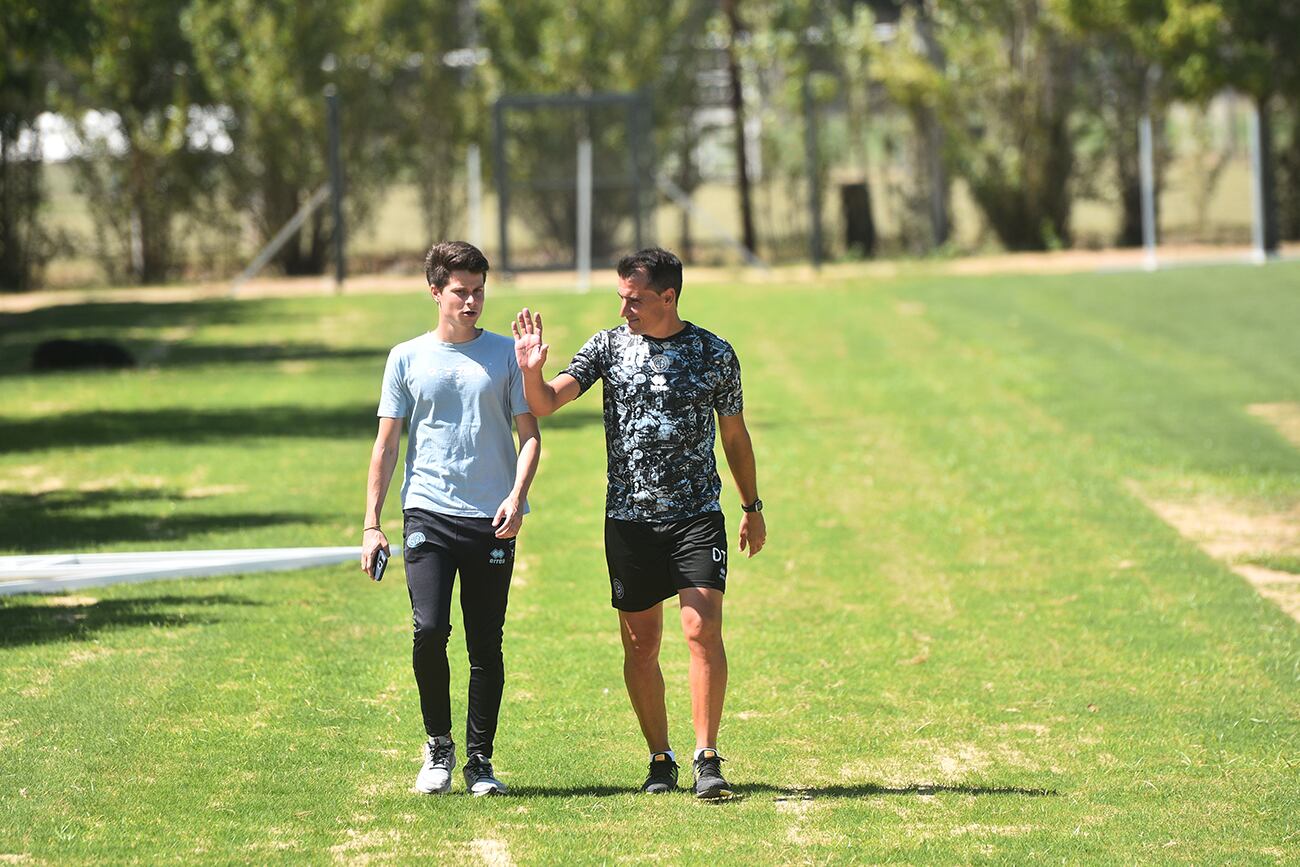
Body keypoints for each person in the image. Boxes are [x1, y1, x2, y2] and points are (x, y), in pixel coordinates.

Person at [512, 247, 765, 800]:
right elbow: (549, 402)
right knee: (640, 644)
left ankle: (706, 756)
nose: (624, 307)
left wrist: (751, 507)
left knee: (701, 631)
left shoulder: (713, 353)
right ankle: (660, 757)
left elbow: (735, 437)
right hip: (628, 521)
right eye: (621, 297)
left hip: (696, 516)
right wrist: (531, 371)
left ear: (668, 297)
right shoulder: (607, 346)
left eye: (635, 299)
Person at [361, 241, 540, 797]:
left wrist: (517, 494)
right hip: (427, 513)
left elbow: (530, 436)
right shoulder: (406, 357)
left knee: (486, 643)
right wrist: (371, 522)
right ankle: (438, 746)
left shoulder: (507, 354)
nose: (471, 301)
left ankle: (480, 761)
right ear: (435, 292)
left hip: (492, 517)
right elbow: (386, 447)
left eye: (479, 290)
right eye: (460, 291)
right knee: (430, 630)